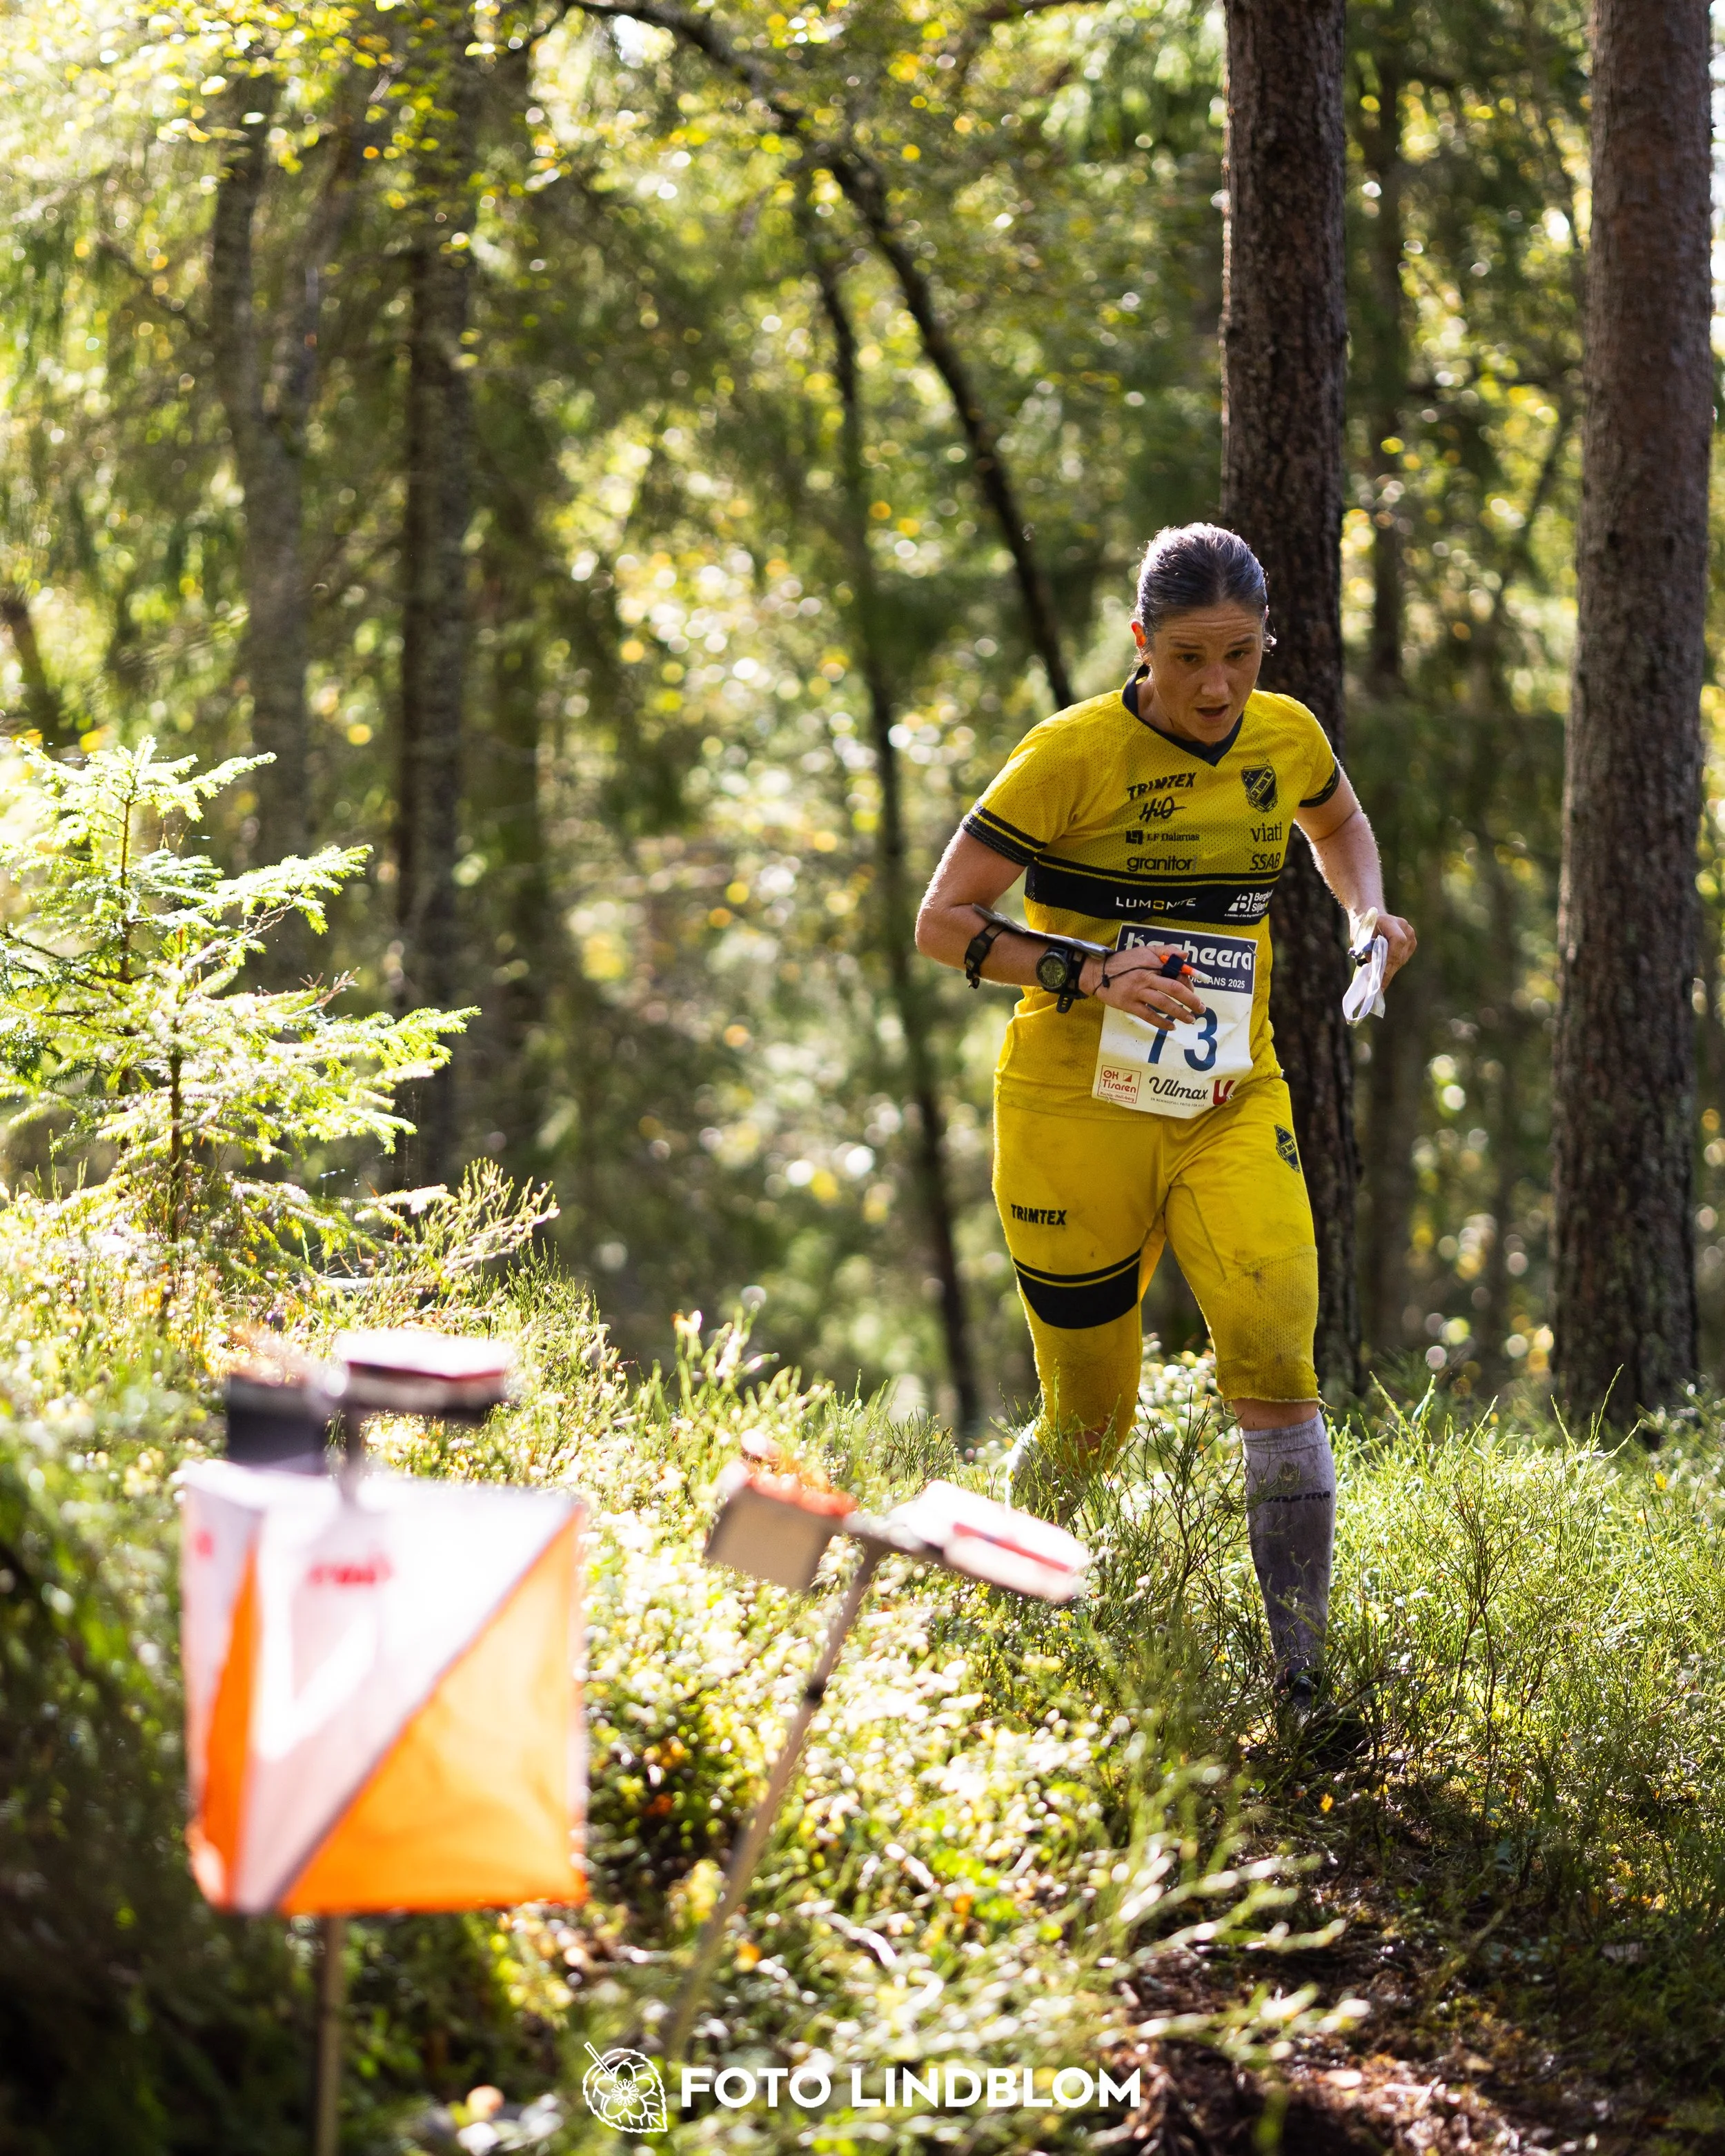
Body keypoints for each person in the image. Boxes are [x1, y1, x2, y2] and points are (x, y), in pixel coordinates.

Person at [914, 523, 1416, 1721]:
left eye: (1240, 654)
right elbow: (943, 921)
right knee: (1090, 1416)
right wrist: (1092, 973)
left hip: (1228, 1098)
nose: (1217, 686)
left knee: (1278, 1361)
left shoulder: (1286, 734)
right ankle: (983, 1631)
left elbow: (1337, 825)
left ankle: (1302, 1680)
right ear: (1141, 643)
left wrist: (1369, 915)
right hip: (1070, 1107)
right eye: (1189, 655)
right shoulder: (1069, 755)